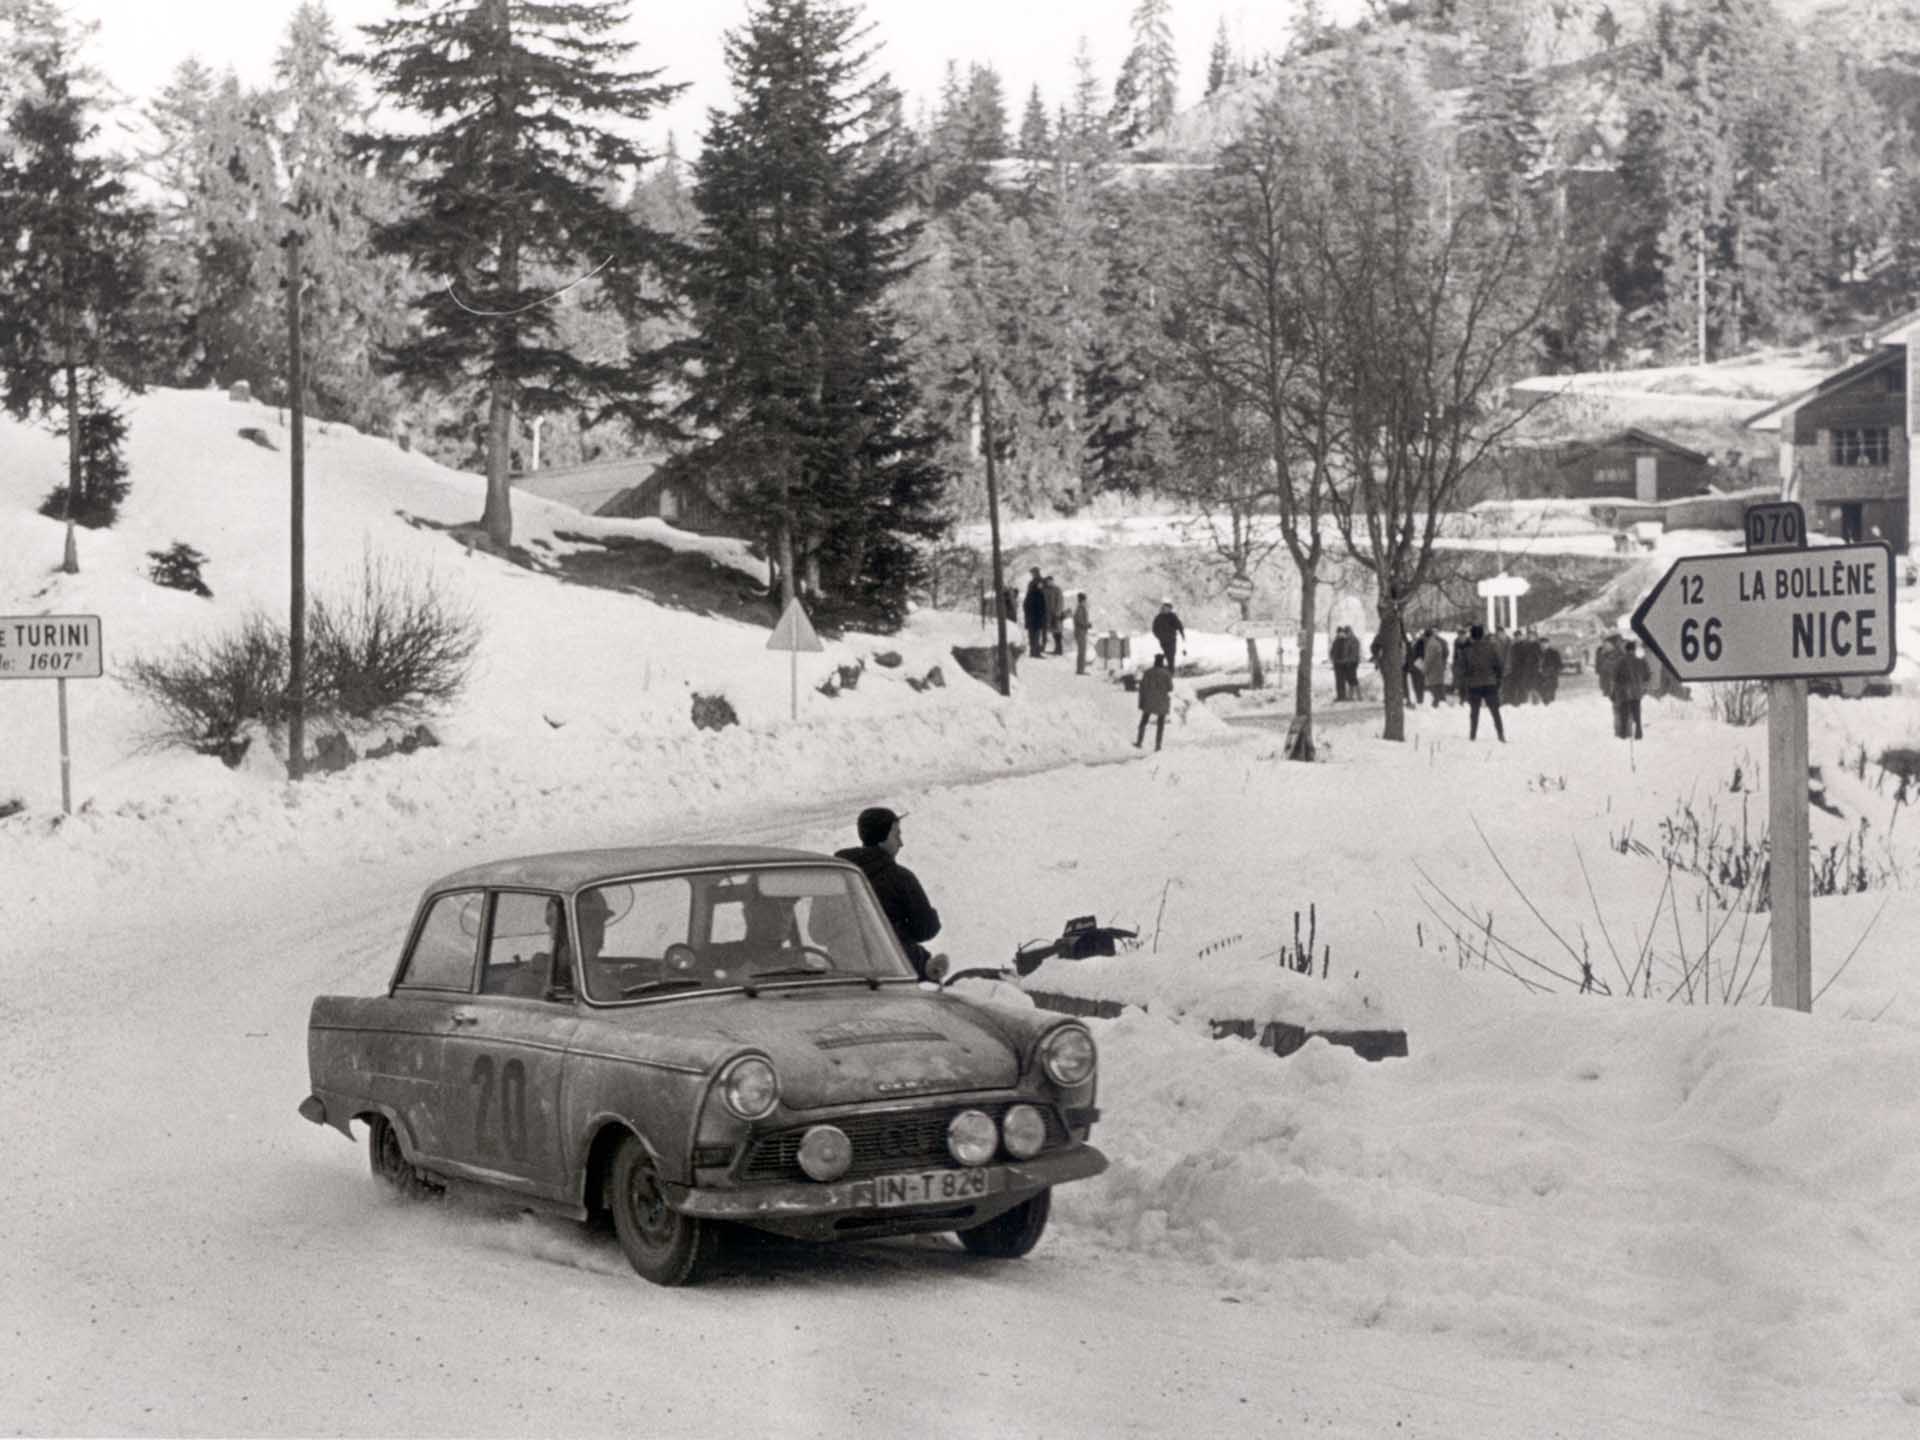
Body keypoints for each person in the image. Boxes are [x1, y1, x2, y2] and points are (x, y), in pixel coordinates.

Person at [835, 806, 942, 980]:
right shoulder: (901, 878)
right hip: (896, 969)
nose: (901, 842)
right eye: (897, 835)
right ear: (882, 839)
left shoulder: (837, 876)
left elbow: (817, 931)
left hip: (841, 969)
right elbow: (926, 929)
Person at [1460, 622, 1506, 742]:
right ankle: (1500, 735)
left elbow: (1463, 669)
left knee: (1474, 712)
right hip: (1490, 683)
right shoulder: (1491, 647)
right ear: (1482, 635)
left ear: (1472, 636)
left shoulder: (1467, 650)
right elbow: (1499, 665)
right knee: (1495, 711)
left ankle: (1472, 735)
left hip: (1474, 685)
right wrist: (1498, 680)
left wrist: (1467, 681)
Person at [1612, 639, 1651, 740]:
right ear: (1634, 650)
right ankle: (1638, 734)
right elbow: (1647, 676)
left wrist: (1616, 689)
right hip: (1637, 692)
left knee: (1624, 713)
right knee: (1637, 714)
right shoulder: (1640, 661)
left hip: (1624, 692)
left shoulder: (1620, 661)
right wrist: (1640, 682)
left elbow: (1615, 677)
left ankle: (1623, 734)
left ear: (1626, 650)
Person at [1135, 652, 1173, 751]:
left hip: (1149, 701)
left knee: (1144, 721)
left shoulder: (1148, 672)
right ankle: (1158, 745)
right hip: (1161, 702)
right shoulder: (1166, 674)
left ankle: (1139, 741)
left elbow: (1142, 687)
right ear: (1162, 662)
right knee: (1160, 724)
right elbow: (1170, 688)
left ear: (1155, 662)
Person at [1151, 598, 1185, 669]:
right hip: (1163, 640)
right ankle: (1165, 669)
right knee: (1167, 654)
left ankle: (1170, 669)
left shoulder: (1172, 616)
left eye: (1168, 608)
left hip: (1171, 639)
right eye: (1165, 608)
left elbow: (1179, 625)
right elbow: (1154, 628)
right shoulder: (1158, 617)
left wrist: (1182, 633)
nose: (1166, 609)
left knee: (1171, 655)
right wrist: (1159, 636)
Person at [1022, 569, 1049, 659]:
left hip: (1034, 613)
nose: (1033, 575)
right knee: (1034, 633)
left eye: (1033, 573)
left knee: (1034, 633)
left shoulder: (1037, 583)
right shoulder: (1035, 584)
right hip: (1034, 613)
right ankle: (1034, 652)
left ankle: (1034, 651)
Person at [1422, 628, 1450, 707]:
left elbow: (1429, 659)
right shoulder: (1436, 643)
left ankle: (1436, 704)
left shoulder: (1430, 644)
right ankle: (1441, 702)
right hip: (1438, 667)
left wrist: (1425, 669)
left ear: (1426, 636)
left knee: (1434, 687)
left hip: (1433, 669)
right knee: (1439, 685)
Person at [1044, 575, 1066, 655]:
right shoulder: (1046, 590)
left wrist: (1058, 612)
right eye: (1047, 582)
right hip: (1049, 615)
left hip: (1056, 615)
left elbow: (1060, 601)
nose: (1049, 583)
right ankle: (1056, 649)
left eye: (1050, 581)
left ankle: (1059, 650)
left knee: (1058, 632)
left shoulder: (1057, 589)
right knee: (1054, 632)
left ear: (1052, 581)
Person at [1072, 592, 1092, 675]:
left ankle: (1080, 669)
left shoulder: (1079, 608)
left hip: (1080, 631)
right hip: (1080, 632)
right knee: (1082, 651)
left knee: (1082, 651)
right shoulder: (1081, 608)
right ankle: (1080, 670)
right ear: (1083, 600)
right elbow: (1079, 620)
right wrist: (1087, 625)